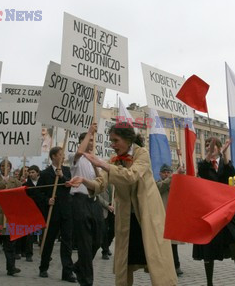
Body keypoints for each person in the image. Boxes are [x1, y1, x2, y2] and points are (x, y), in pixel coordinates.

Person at [67, 122, 177, 286]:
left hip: (147, 218)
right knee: (124, 265)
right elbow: (100, 184)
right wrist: (83, 181)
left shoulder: (142, 154)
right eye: (111, 141)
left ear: (128, 139)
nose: (112, 145)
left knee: (158, 261)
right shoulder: (114, 161)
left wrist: (101, 164)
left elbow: (131, 176)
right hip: (127, 219)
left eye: (115, 140)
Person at [192, 137, 235, 286]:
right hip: (210, 212)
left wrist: (226, 153)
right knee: (208, 251)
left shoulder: (224, 165)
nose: (209, 148)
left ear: (219, 147)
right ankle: (209, 283)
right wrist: (209, 154)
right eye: (206, 146)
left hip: (226, 213)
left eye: (212, 146)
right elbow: (203, 171)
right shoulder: (204, 165)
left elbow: (230, 173)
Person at [69, 123, 105, 286]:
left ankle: (78, 266)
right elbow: (79, 152)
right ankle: (87, 280)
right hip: (79, 201)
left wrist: (96, 164)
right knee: (84, 242)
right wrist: (90, 132)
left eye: (92, 141)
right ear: (82, 142)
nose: (91, 143)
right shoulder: (74, 158)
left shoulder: (94, 159)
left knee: (98, 240)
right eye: (88, 141)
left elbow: (100, 180)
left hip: (94, 201)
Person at [36, 146, 76, 283]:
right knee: (48, 241)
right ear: (53, 156)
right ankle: (43, 267)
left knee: (67, 243)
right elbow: (38, 193)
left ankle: (67, 272)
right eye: (60, 154)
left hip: (66, 211)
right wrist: (47, 200)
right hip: (52, 212)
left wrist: (61, 176)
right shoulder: (45, 173)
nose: (63, 157)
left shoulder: (66, 170)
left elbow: (69, 184)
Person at [156, 163, 185, 276]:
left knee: (173, 244)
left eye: (168, 172)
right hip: (161, 216)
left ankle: (176, 265)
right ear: (160, 173)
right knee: (162, 244)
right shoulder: (158, 183)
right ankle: (163, 266)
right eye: (164, 172)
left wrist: (181, 174)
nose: (166, 174)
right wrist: (174, 176)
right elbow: (162, 186)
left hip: (172, 216)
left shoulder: (174, 183)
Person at [22, 165, 44, 262]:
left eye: (33, 172)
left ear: (38, 173)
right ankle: (28, 254)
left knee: (43, 233)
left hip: (42, 209)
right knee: (30, 234)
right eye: (30, 173)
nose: (31, 174)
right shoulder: (26, 185)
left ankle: (44, 252)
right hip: (30, 210)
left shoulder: (42, 183)